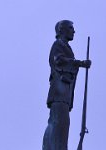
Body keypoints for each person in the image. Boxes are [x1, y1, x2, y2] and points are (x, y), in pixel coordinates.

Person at [42, 20, 91, 150]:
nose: (73, 31)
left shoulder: (65, 46)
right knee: (60, 124)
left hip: (64, 95)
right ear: (61, 30)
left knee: (61, 124)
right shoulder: (58, 45)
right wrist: (80, 63)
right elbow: (59, 61)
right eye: (70, 28)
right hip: (59, 94)